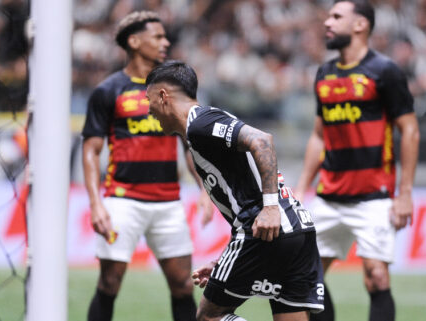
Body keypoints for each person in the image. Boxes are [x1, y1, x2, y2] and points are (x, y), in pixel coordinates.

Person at [146, 60, 325, 321]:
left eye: (148, 100)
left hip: (266, 230)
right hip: (297, 231)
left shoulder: (200, 124)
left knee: (209, 316)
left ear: (163, 96)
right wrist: (224, 262)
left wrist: (271, 207)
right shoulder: (202, 129)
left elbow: (262, 140)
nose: (149, 110)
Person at [294, 1, 420, 321]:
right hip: (329, 195)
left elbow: (410, 130)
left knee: (376, 276)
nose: (327, 22)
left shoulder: (384, 71)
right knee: (307, 278)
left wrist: (404, 193)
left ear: (361, 25)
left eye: (337, 17)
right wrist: (300, 188)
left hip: (373, 196)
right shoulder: (324, 73)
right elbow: (318, 136)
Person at [82, 11, 212, 321]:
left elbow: (189, 146)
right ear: (134, 41)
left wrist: (205, 190)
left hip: (168, 202)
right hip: (123, 200)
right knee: (110, 282)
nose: (165, 42)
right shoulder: (108, 90)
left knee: (183, 284)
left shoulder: (173, 90)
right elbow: (91, 150)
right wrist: (96, 204)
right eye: (158, 36)